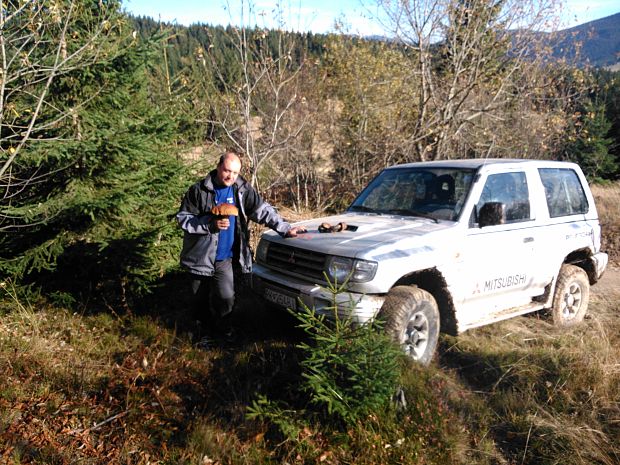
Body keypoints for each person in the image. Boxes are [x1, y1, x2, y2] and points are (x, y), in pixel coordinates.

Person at [176, 151, 305, 341]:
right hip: (199, 257)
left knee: (226, 297)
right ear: (218, 167)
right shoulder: (199, 190)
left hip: (224, 258)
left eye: (235, 173)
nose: (231, 176)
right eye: (227, 171)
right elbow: (183, 219)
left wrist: (285, 228)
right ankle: (202, 335)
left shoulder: (241, 189)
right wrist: (209, 225)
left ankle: (223, 331)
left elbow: (262, 210)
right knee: (199, 301)